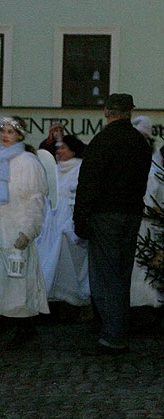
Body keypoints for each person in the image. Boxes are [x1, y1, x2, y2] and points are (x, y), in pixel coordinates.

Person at [74, 94, 152, 354]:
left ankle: (113, 335)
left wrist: (80, 218)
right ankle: (117, 330)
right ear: (130, 112)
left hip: (105, 214)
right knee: (122, 274)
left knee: (106, 276)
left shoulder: (102, 141)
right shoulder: (140, 143)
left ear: (107, 112)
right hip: (131, 214)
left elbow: (87, 184)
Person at [0, 116, 49, 345]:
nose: (5, 135)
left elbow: (36, 200)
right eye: (3, 131)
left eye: (10, 131)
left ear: (20, 135)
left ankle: (24, 328)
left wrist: (28, 230)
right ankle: (0, 321)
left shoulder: (29, 162)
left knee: (18, 283)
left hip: (17, 230)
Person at [36, 135, 90, 307]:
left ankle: (73, 298)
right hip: (52, 220)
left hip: (69, 220)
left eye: (63, 148)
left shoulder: (80, 168)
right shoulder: (55, 169)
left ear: (73, 150)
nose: (59, 151)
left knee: (69, 261)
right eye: (58, 148)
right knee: (49, 256)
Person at [130, 115, 164, 308]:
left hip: (147, 222)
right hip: (137, 220)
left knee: (143, 267)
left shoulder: (152, 166)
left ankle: (145, 304)